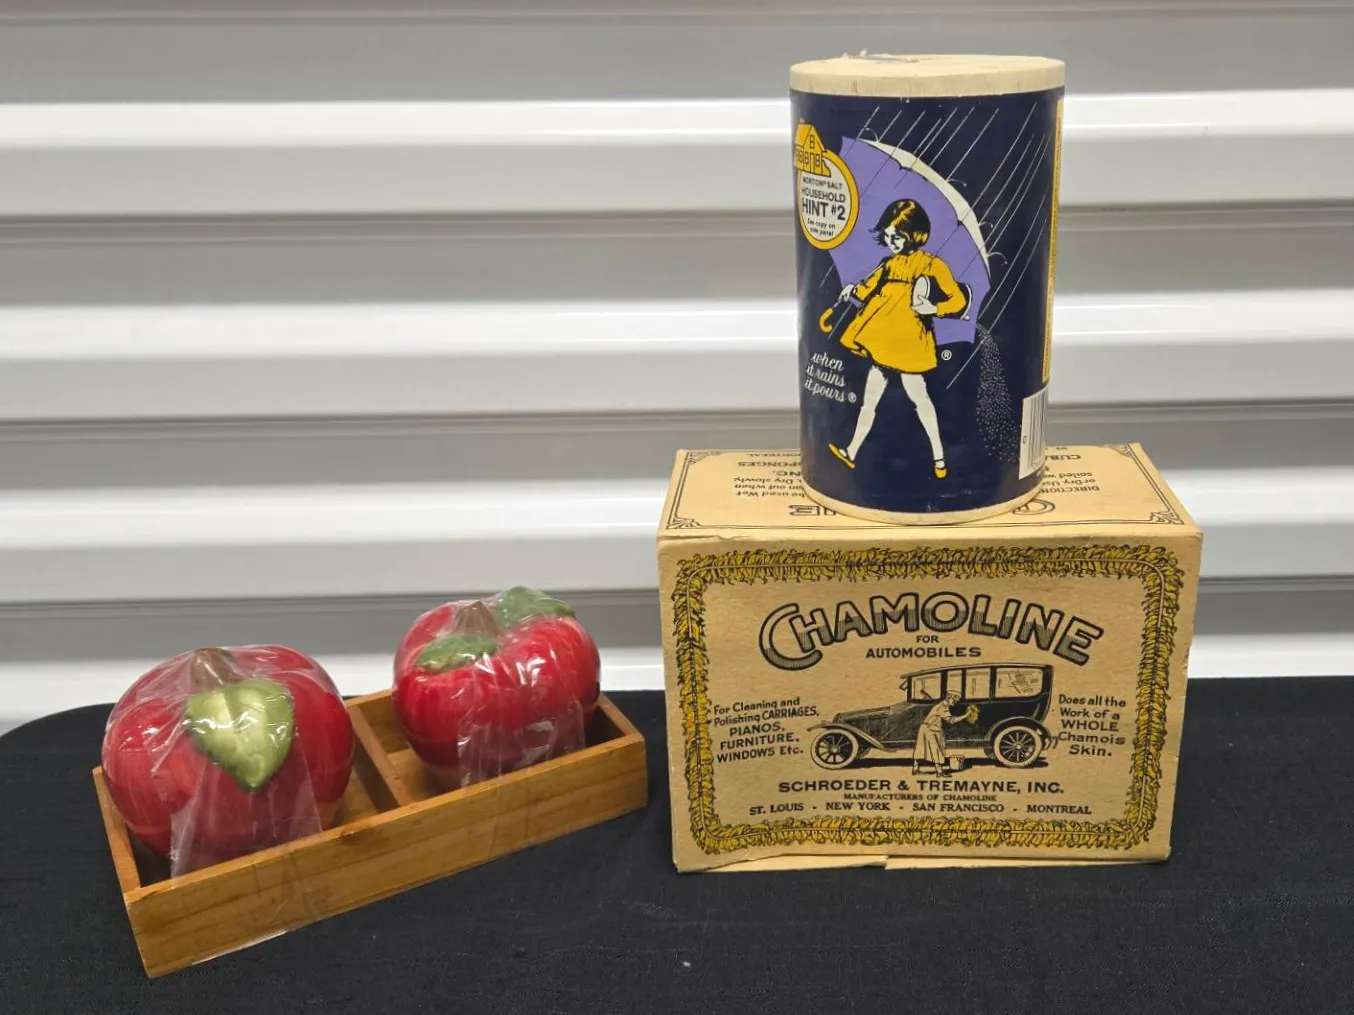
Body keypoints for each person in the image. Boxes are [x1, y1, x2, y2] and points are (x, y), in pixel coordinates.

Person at [828, 199, 967, 479]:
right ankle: (851, 452)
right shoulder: (888, 264)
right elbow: (867, 289)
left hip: (908, 342)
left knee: (920, 399)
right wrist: (852, 290)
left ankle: (939, 458)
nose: (891, 241)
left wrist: (933, 308)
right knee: (870, 400)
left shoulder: (931, 265)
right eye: (888, 235)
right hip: (881, 339)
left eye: (897, 236)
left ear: (914, 233)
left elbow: (958, 300)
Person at [913, 688, 966, 776]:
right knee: (936, 750)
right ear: (949, 697)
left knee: (921, 750)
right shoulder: (943, 706)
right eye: (955, 700)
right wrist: (966, 715)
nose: (955, 702)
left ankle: (915, 769)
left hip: (927, 728)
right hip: (931, 730)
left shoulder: (943, 705)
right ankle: (939, 772)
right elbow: (951, 720)